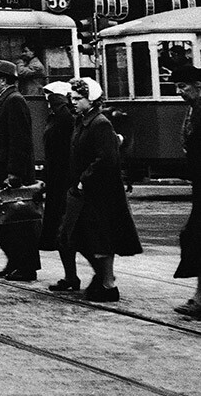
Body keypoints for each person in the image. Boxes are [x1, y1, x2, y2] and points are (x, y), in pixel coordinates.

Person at [61, 77, 141, 302]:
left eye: (79, 98)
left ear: (92, 100)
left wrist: (84, 179)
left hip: (100, 193)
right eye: (72, 98)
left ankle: (108, 284)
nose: (73, 102)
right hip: (89, 191)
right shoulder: (84, 120)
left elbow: (106, 158)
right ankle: (103, 279)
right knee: (82, 237)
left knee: (100, 240)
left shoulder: (100, 123)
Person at [0, 60, 40, 281]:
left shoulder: (14, 101)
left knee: (17, 222)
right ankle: (15, 262)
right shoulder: (5, 100)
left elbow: (20, 140)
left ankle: (25, 266)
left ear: (3, 80)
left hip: (7, 172)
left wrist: (14, 173)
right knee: (3, 222)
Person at [39, 81, 80, 293]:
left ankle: (98, 275)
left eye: (51, 97)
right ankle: (71, 275)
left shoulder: (65, 118)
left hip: (66, 183)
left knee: (69, 231)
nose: (48, 102)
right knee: (63, 233)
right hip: (57, 182)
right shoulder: (58, 117)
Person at [170, 61, 201, 319]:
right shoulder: (192, 110)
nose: (179, 91)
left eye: (183, 86)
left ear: (198, 86)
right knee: (193, 236)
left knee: (195, 236)